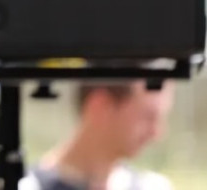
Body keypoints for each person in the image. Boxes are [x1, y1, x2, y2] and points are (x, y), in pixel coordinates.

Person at [19, 80, 175, 190]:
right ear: (100, 105)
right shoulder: (27, 186)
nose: (157, 133)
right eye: (148, 117)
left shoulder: (152, 186)